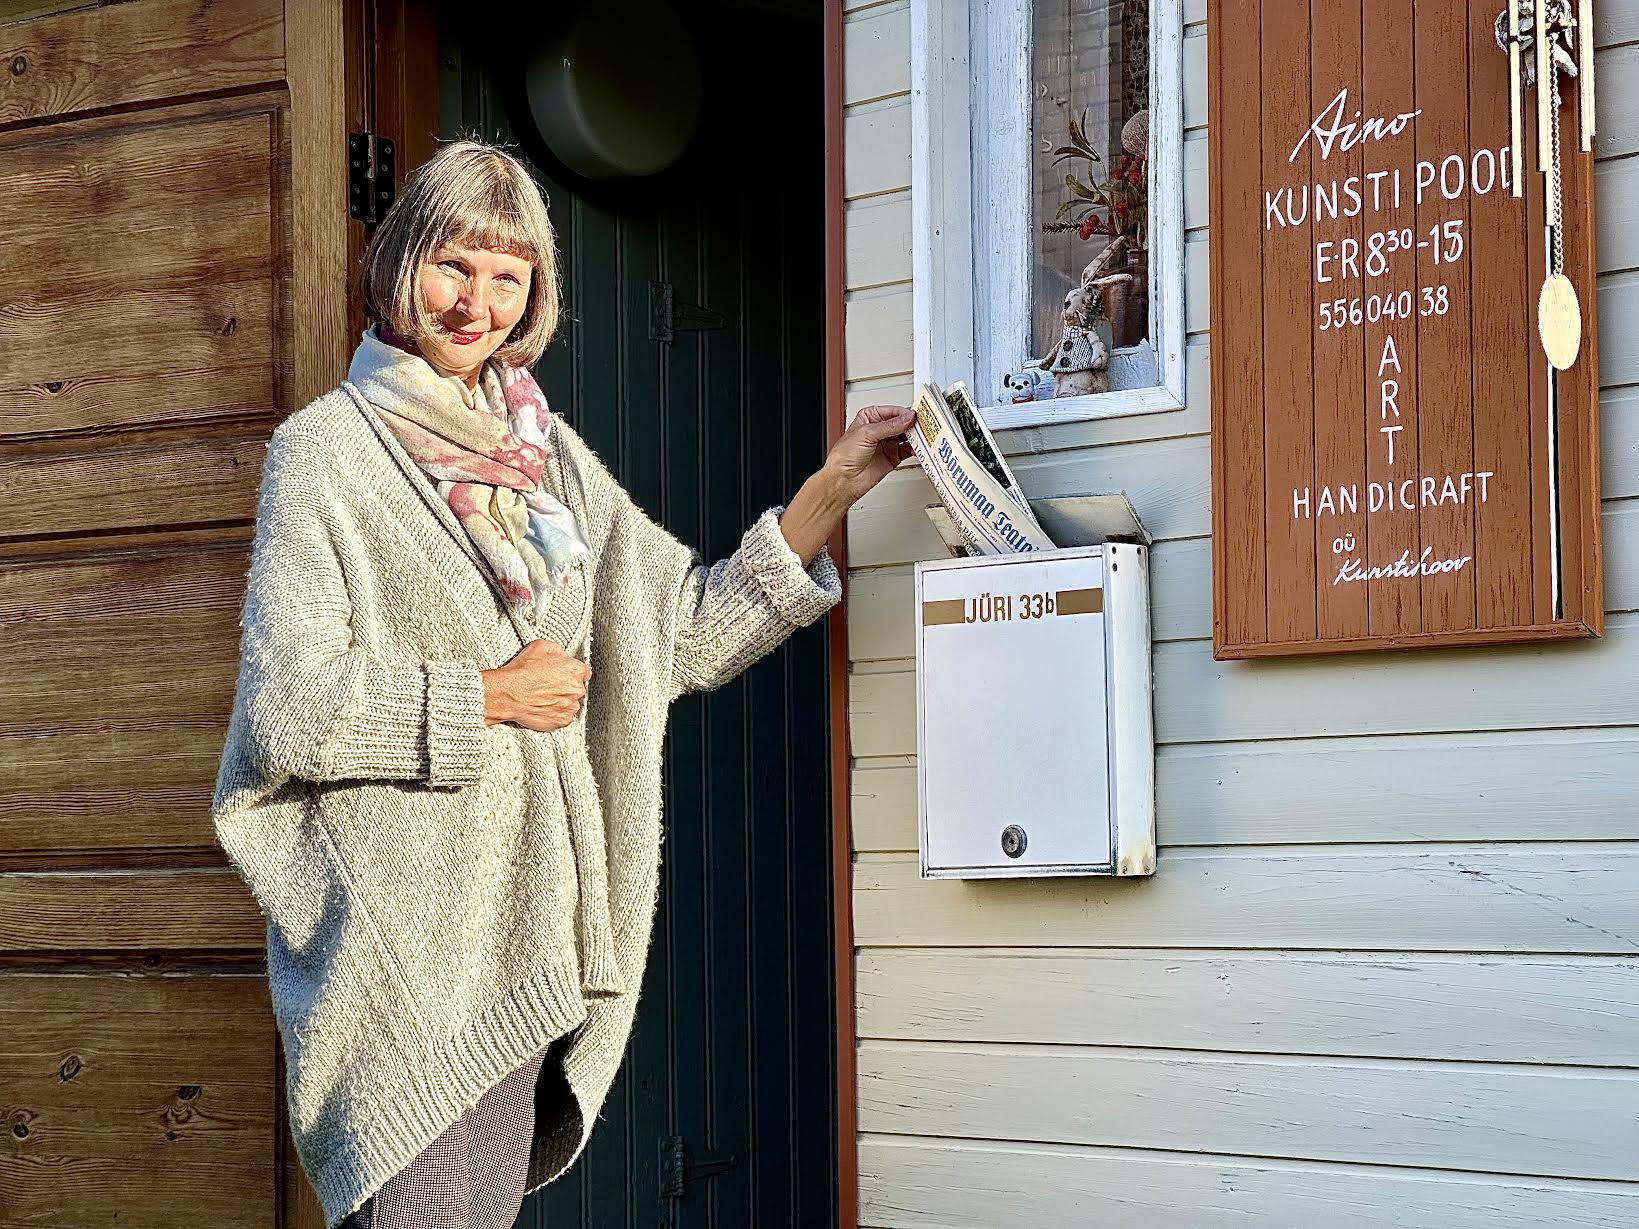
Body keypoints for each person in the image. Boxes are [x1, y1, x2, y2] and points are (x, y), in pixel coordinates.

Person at [209, 139, 915, 1229]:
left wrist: (834, 487)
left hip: (524, 940)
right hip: (409, 967)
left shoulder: (543, 456)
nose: (477, 301)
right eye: (454, 264)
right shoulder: (325, 454)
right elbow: (289, 705)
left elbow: (678, 630)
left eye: (510, 276)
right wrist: (486, 693)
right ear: (401, 263)